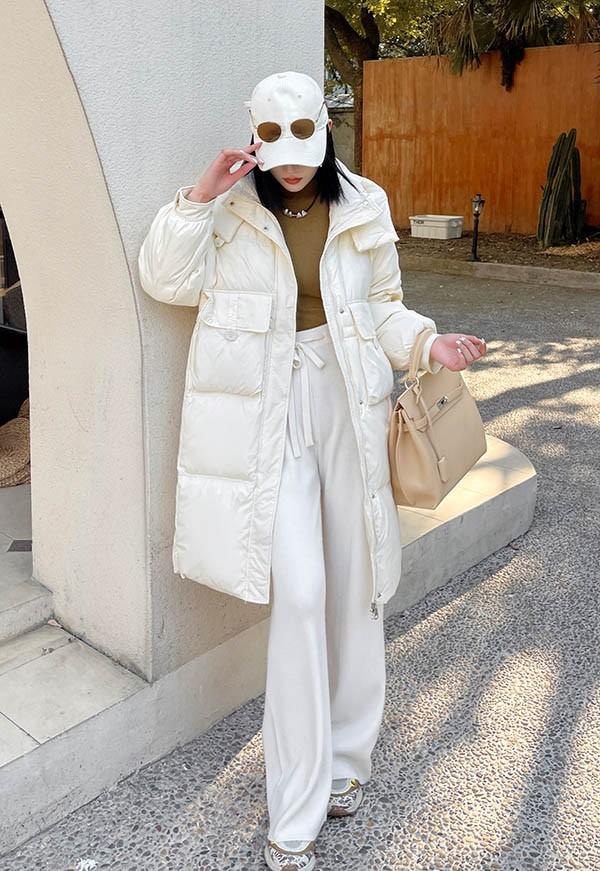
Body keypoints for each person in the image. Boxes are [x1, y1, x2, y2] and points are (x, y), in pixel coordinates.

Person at [138, 70, 486, 871]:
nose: (291, 161)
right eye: (273, 139)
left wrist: (428, 342)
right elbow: (165, 280)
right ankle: (293, 808)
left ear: (325, 130)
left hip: (347, 400)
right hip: (269, 412)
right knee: (299, 596)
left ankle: (346, 764)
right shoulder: (230, 209)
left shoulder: (363, 202)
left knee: (357, 586)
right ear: (254, 134)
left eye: (304, 138)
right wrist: (198, 196)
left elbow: (382, 305)